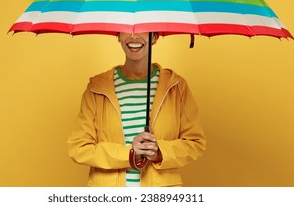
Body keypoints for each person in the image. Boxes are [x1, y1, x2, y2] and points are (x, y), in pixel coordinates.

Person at [67, 32, 206, 187]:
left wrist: (160, 152)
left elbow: (195, 142)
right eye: (126, 29)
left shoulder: (177, 86)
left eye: (143, 30)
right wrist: (129, 154)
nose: (134, 36)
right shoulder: (97, 88)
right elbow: (78, 148)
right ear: (118, 36)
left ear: (155, 37)